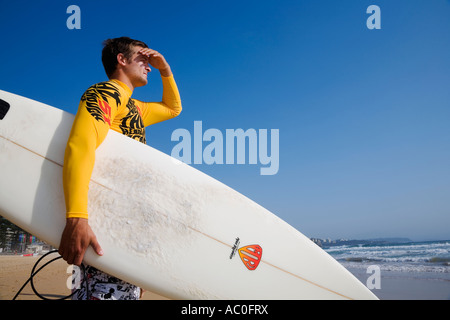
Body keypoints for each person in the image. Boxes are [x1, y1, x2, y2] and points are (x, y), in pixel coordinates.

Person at [58, 37, 182, 300]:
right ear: (121, 60)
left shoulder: (133, 107)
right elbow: (81, 145)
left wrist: (165, 69)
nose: (148, 66)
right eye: (142, 58)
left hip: (124, 227)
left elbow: (173, 109)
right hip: (104, 227)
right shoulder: (105, 93)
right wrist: (77, 217)